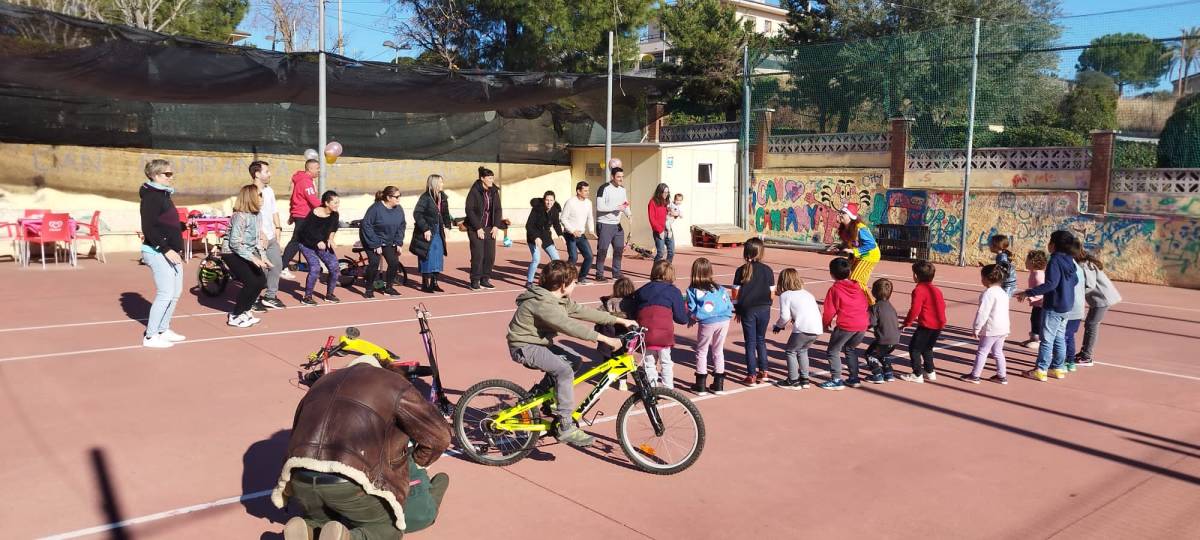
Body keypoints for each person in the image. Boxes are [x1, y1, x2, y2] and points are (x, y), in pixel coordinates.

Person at [273, 355, 452, 540]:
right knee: (388, 528)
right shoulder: (394, 383)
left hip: (300, 475)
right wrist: (417, 461)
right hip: (349, 479)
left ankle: (309, 527)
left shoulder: (321, 383)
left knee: (322, 517)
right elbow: (440, 435)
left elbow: (295, 433)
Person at [505, 260, 634, 447]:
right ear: (563, 285)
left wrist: (618, 320)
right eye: (574, 282)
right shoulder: (543, 304)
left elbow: (583, 312)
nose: (576, 285)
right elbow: (569, 326)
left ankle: (538, 398)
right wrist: (605, 339)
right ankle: (565, 426)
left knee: (574, 361)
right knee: (564, 370)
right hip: (524, 346)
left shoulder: (559, 299)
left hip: (537, 343)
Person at [1016, 231, 1079, 382]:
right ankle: (1057, 368)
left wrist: (1029, 292)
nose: (1048, 244)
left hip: (1054, 305)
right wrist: (1065, 290)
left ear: (1054, 245)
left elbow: (1051, 284)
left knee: (1046, 340)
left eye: (1050, 241)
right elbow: (1075, 280)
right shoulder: (1070, 260)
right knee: (1059, 338)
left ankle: (1041, 369)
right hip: (1066, 304)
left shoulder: (1055, 261)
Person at [138, 159, 186, 348]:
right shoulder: (152, 197)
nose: (171, 177)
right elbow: (148, 227)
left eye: (171, 173)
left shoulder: (163, 195)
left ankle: (163, 329)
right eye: (167, 174)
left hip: (171, 251)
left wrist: (182, 226)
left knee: (175, 292)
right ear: (155, 175)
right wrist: (165, 249)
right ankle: (150, 337)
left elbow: (164, 223)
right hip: (158, 252)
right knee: (165, 293)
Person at [220, 184, 270, 328]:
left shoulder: (257, 215)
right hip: (231, 252)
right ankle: (235, 315)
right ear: (251, 198)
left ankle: (245, 311)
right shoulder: (239, 216)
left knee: (261, 281)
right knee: (251, 282)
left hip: (247, 252)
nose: (262, 198)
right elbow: (234, 244)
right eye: (259, 195)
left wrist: (263, 256)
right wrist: (254, 258)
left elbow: (256, 240)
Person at [634, 260, 689, 389]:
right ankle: (668, 387)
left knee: (649, 362)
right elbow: (681, 318)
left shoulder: (642, 290)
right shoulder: (673, 291)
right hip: (664, 334)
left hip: (645, 332)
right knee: (666, 362)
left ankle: (652, 388)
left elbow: (634, 309)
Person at [820, 257, 870, 390]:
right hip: (862, 324)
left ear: (831, 274)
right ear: (849, 272)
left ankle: (836, 379)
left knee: (833, 350)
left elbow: (829, 311)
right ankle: (854, 377)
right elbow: (864, 303)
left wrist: (825, 324)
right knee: (850, 348)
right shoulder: (857, 286)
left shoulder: (834, 289)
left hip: (847, 324)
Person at [686, 258, 733, 395]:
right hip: (724, 319)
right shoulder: (720, 288)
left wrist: (693, 318)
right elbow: (729, 304)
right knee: (718, 350)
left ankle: (700, 384)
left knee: (702, 350)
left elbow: (692, 308)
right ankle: (719, 384)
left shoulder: (692, 289)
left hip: (707, 321)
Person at [771, 268, 822, 390]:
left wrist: (778, 326)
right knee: (803, 351)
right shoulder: (807, 293)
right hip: (816, 328)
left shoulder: (785, 295)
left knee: (790, 351)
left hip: (802, 328)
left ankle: (793, 380)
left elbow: (784, 316)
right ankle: (805, 379)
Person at [733, 238, 775, 385]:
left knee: (750, 342)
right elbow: (772, 293)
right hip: (764, 309)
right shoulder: (768, 270)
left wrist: (737, 309)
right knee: (761, 340)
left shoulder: (741, 270)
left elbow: (735, 293)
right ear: (761, 252)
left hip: (748, 310)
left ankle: (751, 375)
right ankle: (764, 372)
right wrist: (768, 304)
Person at [900, 260, 948, 383]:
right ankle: (930, 371)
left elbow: (915, 309)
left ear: (915, 276)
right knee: (927, 348)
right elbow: (942, 305)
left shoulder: (918, 290)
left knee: (914, 348)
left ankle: (917, 374)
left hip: (927, 325)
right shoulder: (937, 290)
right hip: (938, 324)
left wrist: (907, 323)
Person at [965, 264, 1010, 384]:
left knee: (982, 351)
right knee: (998, 352)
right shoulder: (1002, 292)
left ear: (987, 278)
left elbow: (983, 312)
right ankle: (1001, 376)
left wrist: (976, 327)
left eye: (982, 277)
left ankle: (975, 376)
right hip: (1003, 328)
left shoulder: (988, 293)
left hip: (991, 328)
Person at [251, 161, 287, 310]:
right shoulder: (249, 192)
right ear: (257, 174)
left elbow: (274, 211)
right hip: (255, 239)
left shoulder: (269, 190)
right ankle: (251, 300)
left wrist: (278, 229)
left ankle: (270, 297)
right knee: (258, 272)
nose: (270, 174)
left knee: (277, 265)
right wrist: (259, 234)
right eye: (266, 171)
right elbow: (247, 216)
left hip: (271, 237)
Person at [1076, 250, 1121, 367]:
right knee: (1090, 324)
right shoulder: (1085, 263)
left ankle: (1087, 357)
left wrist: (1076, 293)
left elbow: (1089, 285)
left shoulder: (1084, 265)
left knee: (1092, 325)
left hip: (1102, 299)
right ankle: (1084, 353)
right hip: (1098, 299)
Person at [360, 186, 407, 298]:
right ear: (388, 197)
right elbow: (366, 226)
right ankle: (369, 289)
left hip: (388, 240)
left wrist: (398, 242)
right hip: (371, 238)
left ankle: (389, 288)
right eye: (396, 197)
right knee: (374, 262)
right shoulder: (375, 209)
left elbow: (402, 225)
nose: (398, 199)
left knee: (394, 262)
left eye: (399, 196)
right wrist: (375, 243)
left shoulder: (399, 209)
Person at [297, 191, 342, 305]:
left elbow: (333, 228)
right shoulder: (314, 213)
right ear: (326, 203)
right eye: (335, 202)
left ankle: (329, 295)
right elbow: (306, 231)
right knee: (315, 268)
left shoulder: (335, 214)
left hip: (322, 244)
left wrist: (330, 239)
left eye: (338, 202)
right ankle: (307, 297)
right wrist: (317, 241)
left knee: (335, 267)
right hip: (306, 244)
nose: (337, 205)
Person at [411, 174, 454, 293]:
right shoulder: (425, 197)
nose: (442, 184)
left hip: (438, 230)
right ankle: (425, 284)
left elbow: (445, 214)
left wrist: (448, 227)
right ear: (434, 183)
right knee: (427, 256)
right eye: (440, 182)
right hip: (427, 231)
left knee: (438, 256)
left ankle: (435, 282)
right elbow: (417, 214)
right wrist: (425, 229)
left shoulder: (443, 197)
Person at [464, 166, 506, 290]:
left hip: (490, 228)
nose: (491, 180)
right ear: (482, 178)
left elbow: (498, 209)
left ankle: (485, 279)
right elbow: (469, 210)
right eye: (489, 178)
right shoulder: (474, 191)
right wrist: (478, 227)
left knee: (490, 256)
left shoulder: (494, 191)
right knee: (478, 255)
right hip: (475, 228)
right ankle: (475, 280)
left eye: (492, 178)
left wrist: (496, 225)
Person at [282, 159, 321, 273]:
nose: (319, 170)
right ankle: (282, 266)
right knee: (296, 241)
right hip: (303, 215)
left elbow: (293, 198)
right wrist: (326, 208)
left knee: (305, 240)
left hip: (301, 215)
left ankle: (315, 264)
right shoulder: (306, 182)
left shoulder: (302, 180)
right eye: (317, 168)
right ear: (310, 169)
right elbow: (313, 200)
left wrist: (292, 214)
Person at [835, 202, 881, 301]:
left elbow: (871, 245)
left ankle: (871, 304)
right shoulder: (845, 228)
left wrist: (853, 251)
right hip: (859, 255)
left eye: (843, 213)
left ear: (850, 216)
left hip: (869, 255)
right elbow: (850, 242)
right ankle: (865, 302)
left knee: (855, 280)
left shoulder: (860, 228)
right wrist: (840, 247)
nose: (840, 214)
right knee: (855, 279)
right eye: (840, 212)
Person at [594, 167, 631, 282]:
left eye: (622, 177)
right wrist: (616, 208)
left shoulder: (622, 189)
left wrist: (628, 213)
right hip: (604, 224)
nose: (621, 179)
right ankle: (599, 274)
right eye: (618, 177)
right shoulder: (603, 188)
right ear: (612, 177)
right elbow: (600, 207)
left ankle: (616, 273)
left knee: (619, 249)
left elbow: (625, 204)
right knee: (603, 250)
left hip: (617, 224)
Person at [524, 191, 563, 289]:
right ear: (544, 200)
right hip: (533, 236)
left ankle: (555, 280)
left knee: (556, 260)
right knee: (536, 259)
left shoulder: (554, 210)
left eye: (551, 200)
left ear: (554, 201)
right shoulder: (536, 209)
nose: (549, 202)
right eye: (547, 200)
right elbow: (529, 225)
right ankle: (529, 281)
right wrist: (536, 237)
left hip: (546, 236)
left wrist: (560, 234)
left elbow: (556, 224)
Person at [864, 278, 900, 384]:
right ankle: (888, 373)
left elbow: (871, 322)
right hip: (895, 339)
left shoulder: (875, 308)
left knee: (869, 354)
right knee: (882, 354)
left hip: (883, 339)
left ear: (874, 293)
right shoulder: (891, 306)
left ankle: (877, 374)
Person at [559, 181, 595, 284]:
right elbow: (563, 218)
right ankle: (565, 278)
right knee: (574, 257)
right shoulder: (570, 202)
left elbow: (590, 218)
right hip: (570, 234)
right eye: (585, 190)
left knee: (589, 256)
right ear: (578, 191)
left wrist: (591, 230)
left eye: (588, 190)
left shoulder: (589, 203)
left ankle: (581, 278)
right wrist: (572, 230)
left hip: (581, 235)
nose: (587, 192)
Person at [597, 277, 636, 359]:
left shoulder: (608, 302)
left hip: (609, 335)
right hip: (626, 336)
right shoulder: (633, 303)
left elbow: (598, 315)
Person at [1063, 240, 1087, 373]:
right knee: (1069, 336)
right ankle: (1070, 362)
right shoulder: (1078, 267)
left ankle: (1062, 362)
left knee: (1062, 336)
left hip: (1069, 308)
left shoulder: (1068, 267)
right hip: (1077, 308)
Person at [1022, 250, 1049, 349]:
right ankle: (1033, 338)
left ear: (1033, 262)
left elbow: (1043, 291)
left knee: (1038, 321)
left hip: (1041, 304)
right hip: (1036, 304)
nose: (1025, 262)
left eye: (1027, 260)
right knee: (1033, 319)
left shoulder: (1039, 275)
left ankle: (1038, 340)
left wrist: (1030, 296)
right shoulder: (1033, 273)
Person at [647, 183, 675, 262]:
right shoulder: (652, 202)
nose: (666, 194)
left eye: (668, 192)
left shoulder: (668, 202)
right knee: (660, 253)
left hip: (668, 230)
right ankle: (655, 271)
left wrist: (674, 215)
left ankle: (666, 270)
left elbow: (670, 215)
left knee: (671, 252)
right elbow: (651, 219)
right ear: (660, 192)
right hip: (658, 231)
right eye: (665, 192)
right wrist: (660, 230)